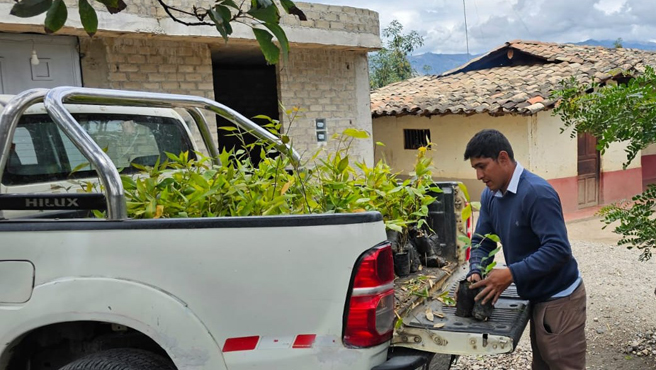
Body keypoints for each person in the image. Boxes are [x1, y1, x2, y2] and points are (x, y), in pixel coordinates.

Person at [463, 129, 586, 370]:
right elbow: (482, 240)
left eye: (482, 166)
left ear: (503, 158)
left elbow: (558, 249)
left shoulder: (536, 193)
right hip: (536, 298)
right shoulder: (491, 195)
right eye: (475, 169)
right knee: (542, 365)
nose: (478, 175)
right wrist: (475, 269)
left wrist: (511, 274)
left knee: (562, 364)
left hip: (560, 299)